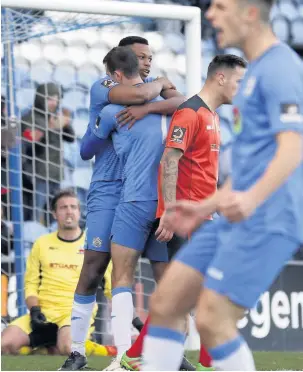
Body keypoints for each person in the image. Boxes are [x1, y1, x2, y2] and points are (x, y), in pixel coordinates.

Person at [142, 0, 303, 370]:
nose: (210, 14)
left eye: (219, 6)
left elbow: (292, 148)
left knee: (214, 320)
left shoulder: (280, 69)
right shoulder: (253, 77)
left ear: (248, 12)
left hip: (269, 217)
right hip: (230, 217)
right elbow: (250, 165)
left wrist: (251, 199)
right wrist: (203, 206)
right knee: (165, 303)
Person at [59, 36, 185, 371]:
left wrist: (154, 100)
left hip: (143, 190)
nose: (148, 63)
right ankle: (77, 351)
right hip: (108, 190)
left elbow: (183, 103)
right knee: (95, 267)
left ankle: (162, 351)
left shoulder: (153, 95)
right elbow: (87, 149)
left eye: (151, 58)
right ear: (125, 63)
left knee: (162, 273)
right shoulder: (106, 88)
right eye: (141, 57)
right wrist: (156, 88)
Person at [124, 54, 246, 372]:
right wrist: (167, 212)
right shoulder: (190, 112)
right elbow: (168, 161)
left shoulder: (213, 116)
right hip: (189, 220)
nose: (241, 88)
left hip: (206, 217)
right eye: (239, 81)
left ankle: (140, 354)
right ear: (221, 77)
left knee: (200, 293)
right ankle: (146, 355)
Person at [1, 189, 105, 356]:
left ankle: (103, 349)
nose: (69, 211)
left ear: (79, 212)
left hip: (75, 313)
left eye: (73, 207)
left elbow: (112, 286)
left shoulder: (94, 245)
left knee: (68, 348)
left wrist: (130, 318)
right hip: (44, 313)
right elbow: (31, 285)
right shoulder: (41, 244)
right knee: (4, 344)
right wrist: (35, 311)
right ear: (54, 214)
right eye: (63, 207)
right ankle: (45, 347)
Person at [21, 83, 75, 224]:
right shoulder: (29, 117)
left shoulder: (54, 116)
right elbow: (30, 139)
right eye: (50, 99)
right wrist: (50, 127)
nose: (54, 103)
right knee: (36, 211)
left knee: (57, 211)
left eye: (56, 99)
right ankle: (31, 240)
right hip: (37, 173)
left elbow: (71, 138)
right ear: (41, 98)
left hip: (56, 173)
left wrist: (65, 123)